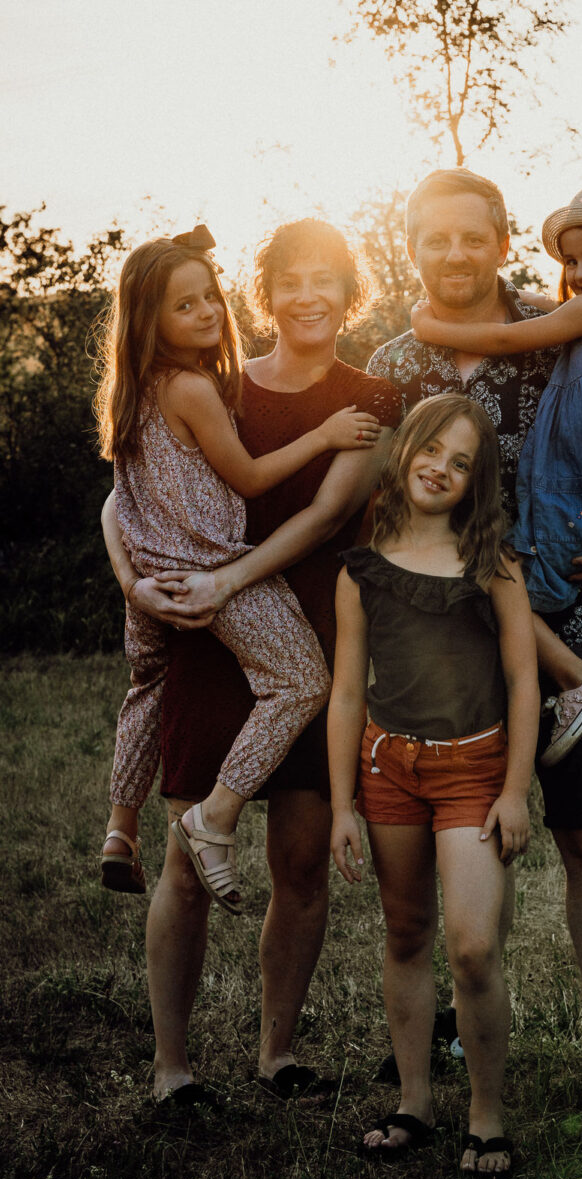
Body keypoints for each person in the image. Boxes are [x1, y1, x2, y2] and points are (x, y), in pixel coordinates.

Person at [368, 168, 582, 1126]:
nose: (454, 255)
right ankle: (457, 1030)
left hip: (581, 610)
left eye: (474, 237)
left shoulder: (568, 329)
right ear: (412, 246)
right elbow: (361, 495)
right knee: (464, 847)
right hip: (443, 650)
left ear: (504, 240)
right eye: (435, 239)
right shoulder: (390, 365)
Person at [101, 218, 403, 1102]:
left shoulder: (371, 398)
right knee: (185, 866)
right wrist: (136, 586)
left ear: (353, 294)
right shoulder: (211, 385)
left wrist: (223, 581)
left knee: (302, 862)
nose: (309, 297)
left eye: (328, 281)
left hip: (313, 625)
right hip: (204, 628)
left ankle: (276, 1055)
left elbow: (322, 517)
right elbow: (122, 499)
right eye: (291, 281)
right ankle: (172, 1068)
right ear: (263, 294)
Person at [329, 394, 538, 1179]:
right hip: (389, 770)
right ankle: (414, 1100)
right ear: (405, 447)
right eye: (432, 451)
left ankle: (486, 1116)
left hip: (474, 771)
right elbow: (348, 692)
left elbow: (523, 681)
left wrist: (514, 791)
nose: (440, 469)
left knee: (474, 946)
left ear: (476, 481)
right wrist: (344, 803)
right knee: (406, 932)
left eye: (461, 463)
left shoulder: (492, 564)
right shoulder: (363, 567)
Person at [410, 182, 582, 766]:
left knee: (484, 564)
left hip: (565, 496)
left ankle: (574, 676)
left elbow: (508, 336)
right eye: (573, 261)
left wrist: (431, 330)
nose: (581, 273)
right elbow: (546, 310)